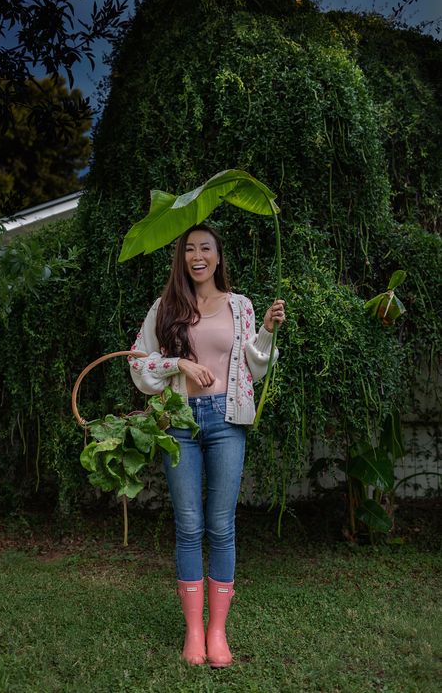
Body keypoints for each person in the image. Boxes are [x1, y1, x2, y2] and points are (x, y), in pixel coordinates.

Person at [128, 224, 285, 667]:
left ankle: (217, 633)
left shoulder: (242, 306)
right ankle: (193, 632)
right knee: (189, 525)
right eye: (190, 249)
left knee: (221, 525)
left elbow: (257, 366)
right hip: (179, 421)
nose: (198, 256)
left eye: (206, 248)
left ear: (218, 257)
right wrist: (180, 363)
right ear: (182, 258)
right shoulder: (165, 307)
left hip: (226, 419)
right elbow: (139, 363)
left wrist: (268, 330)